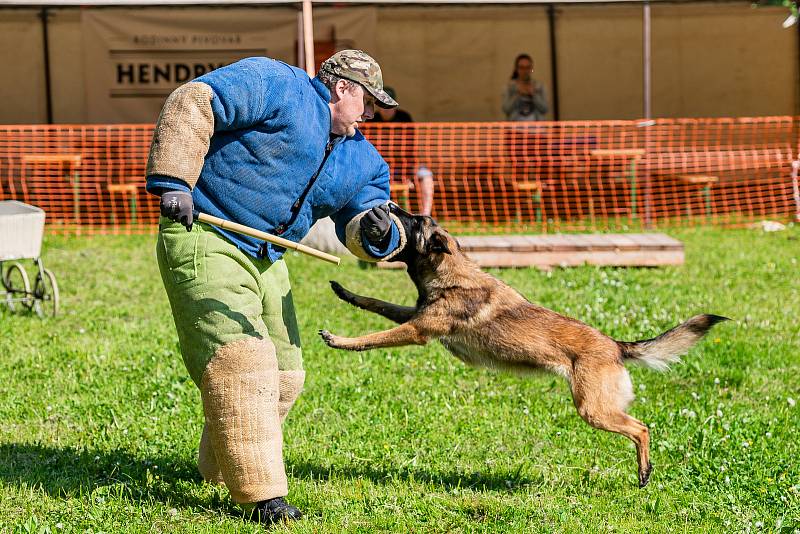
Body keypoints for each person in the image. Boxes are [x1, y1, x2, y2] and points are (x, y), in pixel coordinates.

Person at [144, 50, 407, 526]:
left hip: (269, 255)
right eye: (368, 101)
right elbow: (195, 99)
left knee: (285, 374)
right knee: (243, 363)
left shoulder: (362, 158)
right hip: (206, 230)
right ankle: (263, 498)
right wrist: (175, 181)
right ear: (342, 88)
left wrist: (378, 233)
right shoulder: (274, 83)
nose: (370, 114)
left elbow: (367, 217)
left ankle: (221, 466)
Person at [368, 87, 434, 216]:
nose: (385, 109)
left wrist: (409, 173)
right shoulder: (373, 121)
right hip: (381, 167)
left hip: (404, 165)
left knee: (426, 176)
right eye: (382, 105)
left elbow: (410, 148)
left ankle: (425, 216)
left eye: (388, 105)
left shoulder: (404, 118)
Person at [501, 53, 548, 121]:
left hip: (536, 129)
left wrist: (534, 95)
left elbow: (545, 109)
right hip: (515, 129)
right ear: (516, 69)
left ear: (532, 69)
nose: (525, 71)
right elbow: (506, 109)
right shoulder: (509, 88)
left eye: (528, 67)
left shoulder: (539, 87)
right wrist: (517, 94)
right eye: (522, 68)